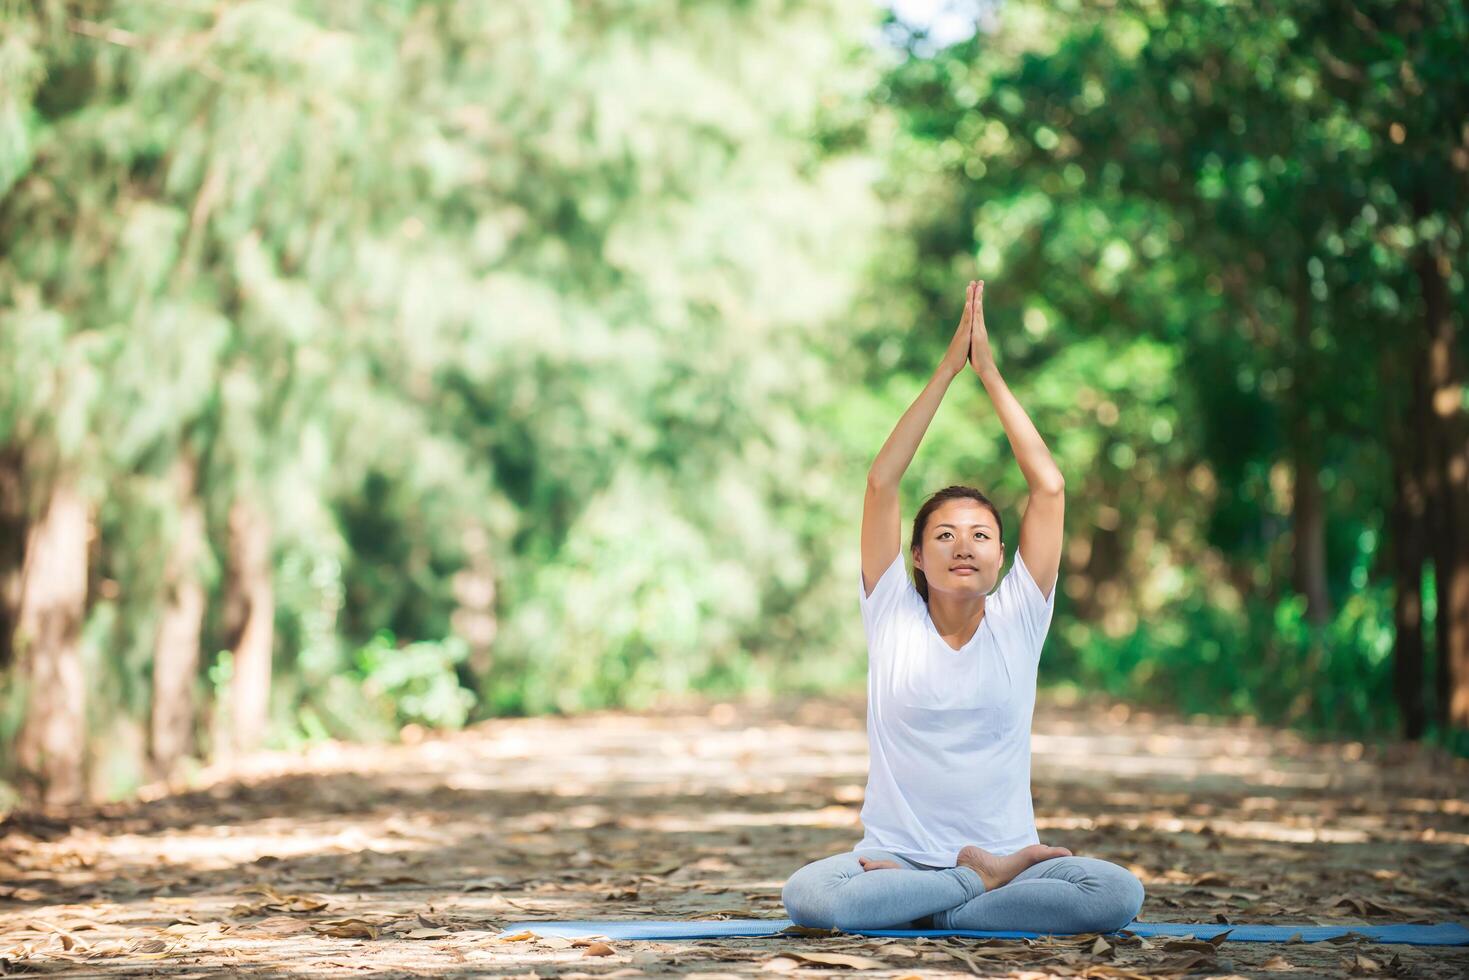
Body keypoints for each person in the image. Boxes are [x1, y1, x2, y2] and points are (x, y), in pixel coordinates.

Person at [781, 280, 1144, 934]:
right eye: (943, 535)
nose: (962, 547)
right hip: (891, 860)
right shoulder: (891, 612)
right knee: (810, 897)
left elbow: (1050, 487)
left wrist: (991, 375)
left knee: (1114, 894)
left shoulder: (1018, 619)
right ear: (914, 556)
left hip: (1015, 858)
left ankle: (938, 900)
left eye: (980, 536)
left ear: (1002, 557)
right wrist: (947, 371)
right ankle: (968, 890)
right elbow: (880, 481)